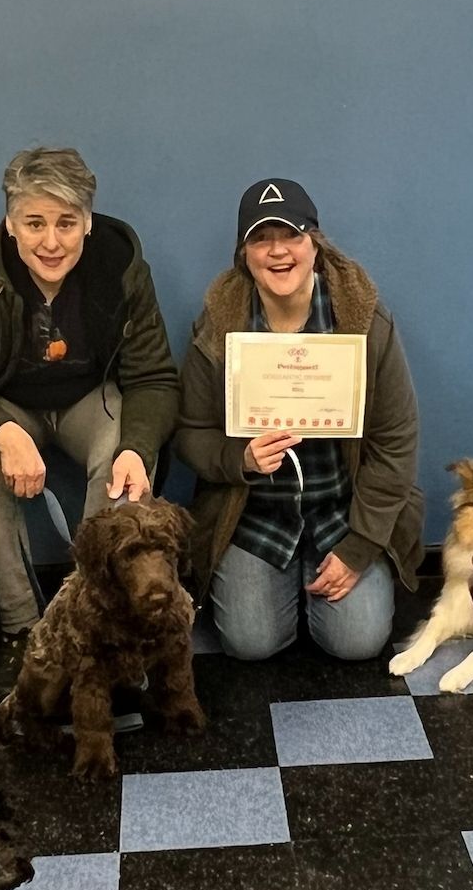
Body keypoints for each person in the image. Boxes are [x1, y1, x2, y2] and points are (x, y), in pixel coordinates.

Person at [0, 147, 179, 697]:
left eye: (66, 223)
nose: (51, 241)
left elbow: (153, 378)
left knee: (123, 450)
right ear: (11, 224)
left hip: (89, 398)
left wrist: (138, 447)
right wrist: (3, 432)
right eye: (35, 223)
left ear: (87, 222)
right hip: (4, 403)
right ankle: (24, 628)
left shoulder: (122, 267)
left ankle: (101, 620)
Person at [175, 178, 423, 661]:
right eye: (261, 239)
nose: (278, 252)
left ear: (315, 242)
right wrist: (239, 458)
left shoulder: (364, 320)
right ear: (243, 253)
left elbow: (396, 442)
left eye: (292, 235)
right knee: (250, 644)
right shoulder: (218, 324)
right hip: (254, 514)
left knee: (357, 643)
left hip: (343, 510)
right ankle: (281, 584)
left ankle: (320, 582)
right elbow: (190, 433)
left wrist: (359, 547)